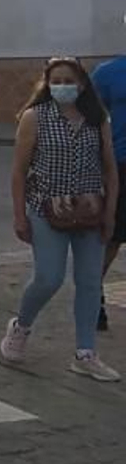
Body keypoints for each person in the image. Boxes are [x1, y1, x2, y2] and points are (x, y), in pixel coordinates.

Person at [0, 59, 119, 381]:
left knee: (90, 281)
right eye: (56, 80)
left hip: (91, 209)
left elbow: (109, 167)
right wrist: (19, 214)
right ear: (47, 84)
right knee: (48, 277)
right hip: (46, 208)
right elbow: (19, 170)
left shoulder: (97, 119)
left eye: (69, 80)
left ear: (81, 84)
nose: (63, 86)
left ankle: (85, 352)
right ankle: (21, 325)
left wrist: (110, 213)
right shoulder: (34, 118)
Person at [91, 50, 126, 330]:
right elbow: (92, 114)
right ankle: (93, 293)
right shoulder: (107, 72)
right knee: (112, 236)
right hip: (121, 163)